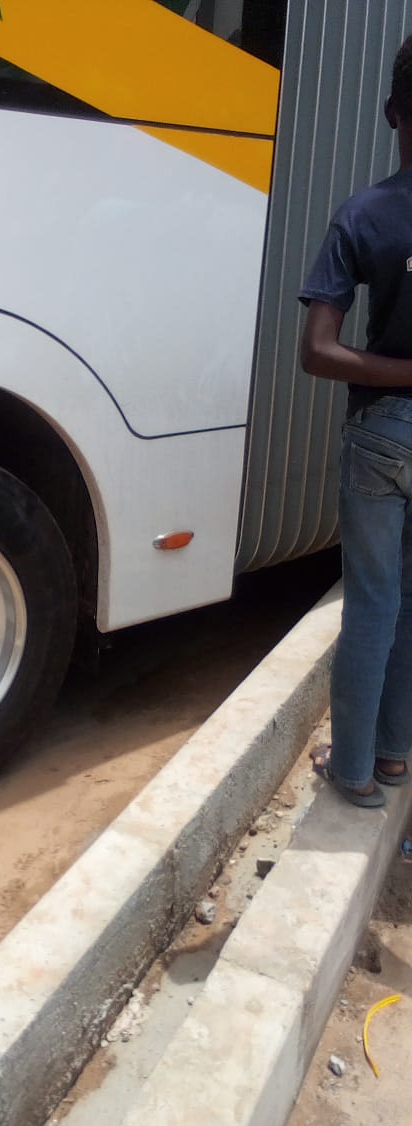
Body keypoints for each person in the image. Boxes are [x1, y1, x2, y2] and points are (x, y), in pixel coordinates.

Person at [299, 33, 412, 807]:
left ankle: (354, 771)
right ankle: (397, 755)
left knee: (373, 597)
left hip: (383, 432)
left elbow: (319, 350)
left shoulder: (366, 213)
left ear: (392, 113)